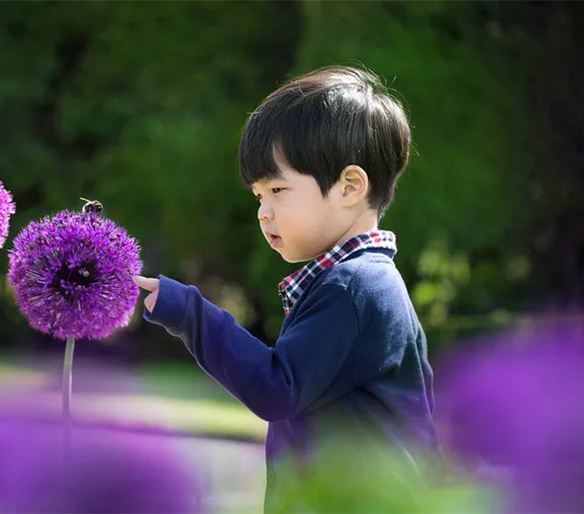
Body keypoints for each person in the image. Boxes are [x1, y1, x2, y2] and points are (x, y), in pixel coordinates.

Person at [133, 65, 438, 511]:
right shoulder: (356, 278)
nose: (264, 211)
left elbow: (278, 387)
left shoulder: (354, 287)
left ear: (350, 186)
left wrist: (189, 313)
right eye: (259, 196)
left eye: (278, 188)